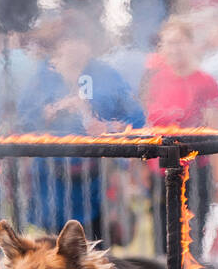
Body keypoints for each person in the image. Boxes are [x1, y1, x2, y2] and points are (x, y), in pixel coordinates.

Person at [17, 14, 144, 240]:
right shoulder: (43, 76)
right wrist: (50, 112)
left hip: (95, 181)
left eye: (80, 41)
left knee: (95, 251)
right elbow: (23, 120)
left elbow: (136, 118)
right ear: (59, 45)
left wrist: (107, 128)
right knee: (55, 249)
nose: (74, 47)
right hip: (50, 181)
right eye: (67, 41)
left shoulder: (106, 75)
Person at [141, 18, 218, 254]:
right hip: (160, 174)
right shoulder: (156, 81)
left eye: (179, 42)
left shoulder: (206, 82)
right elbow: (149, 125)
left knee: (190, 244)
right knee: (162, 243)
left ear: (191, 44)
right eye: (168, 43)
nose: (174, 49)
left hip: (194, 174)